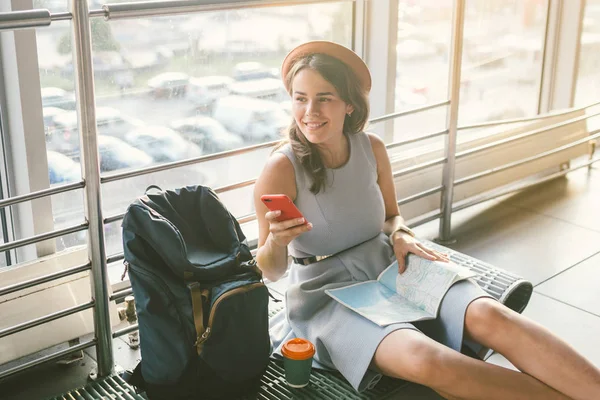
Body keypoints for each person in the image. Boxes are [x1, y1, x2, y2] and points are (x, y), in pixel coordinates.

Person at [253, 41, 600, 400]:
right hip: (326, 295)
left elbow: (391, 216)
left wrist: (401, 233)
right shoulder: (281, 168)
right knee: (426, 359)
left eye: (324, 97)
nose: (310, 111)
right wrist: (277, 242)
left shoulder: (371, 148)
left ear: (349, 103)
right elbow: (270, 271)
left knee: (492, 317)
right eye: (300, 98)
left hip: (390, 263)